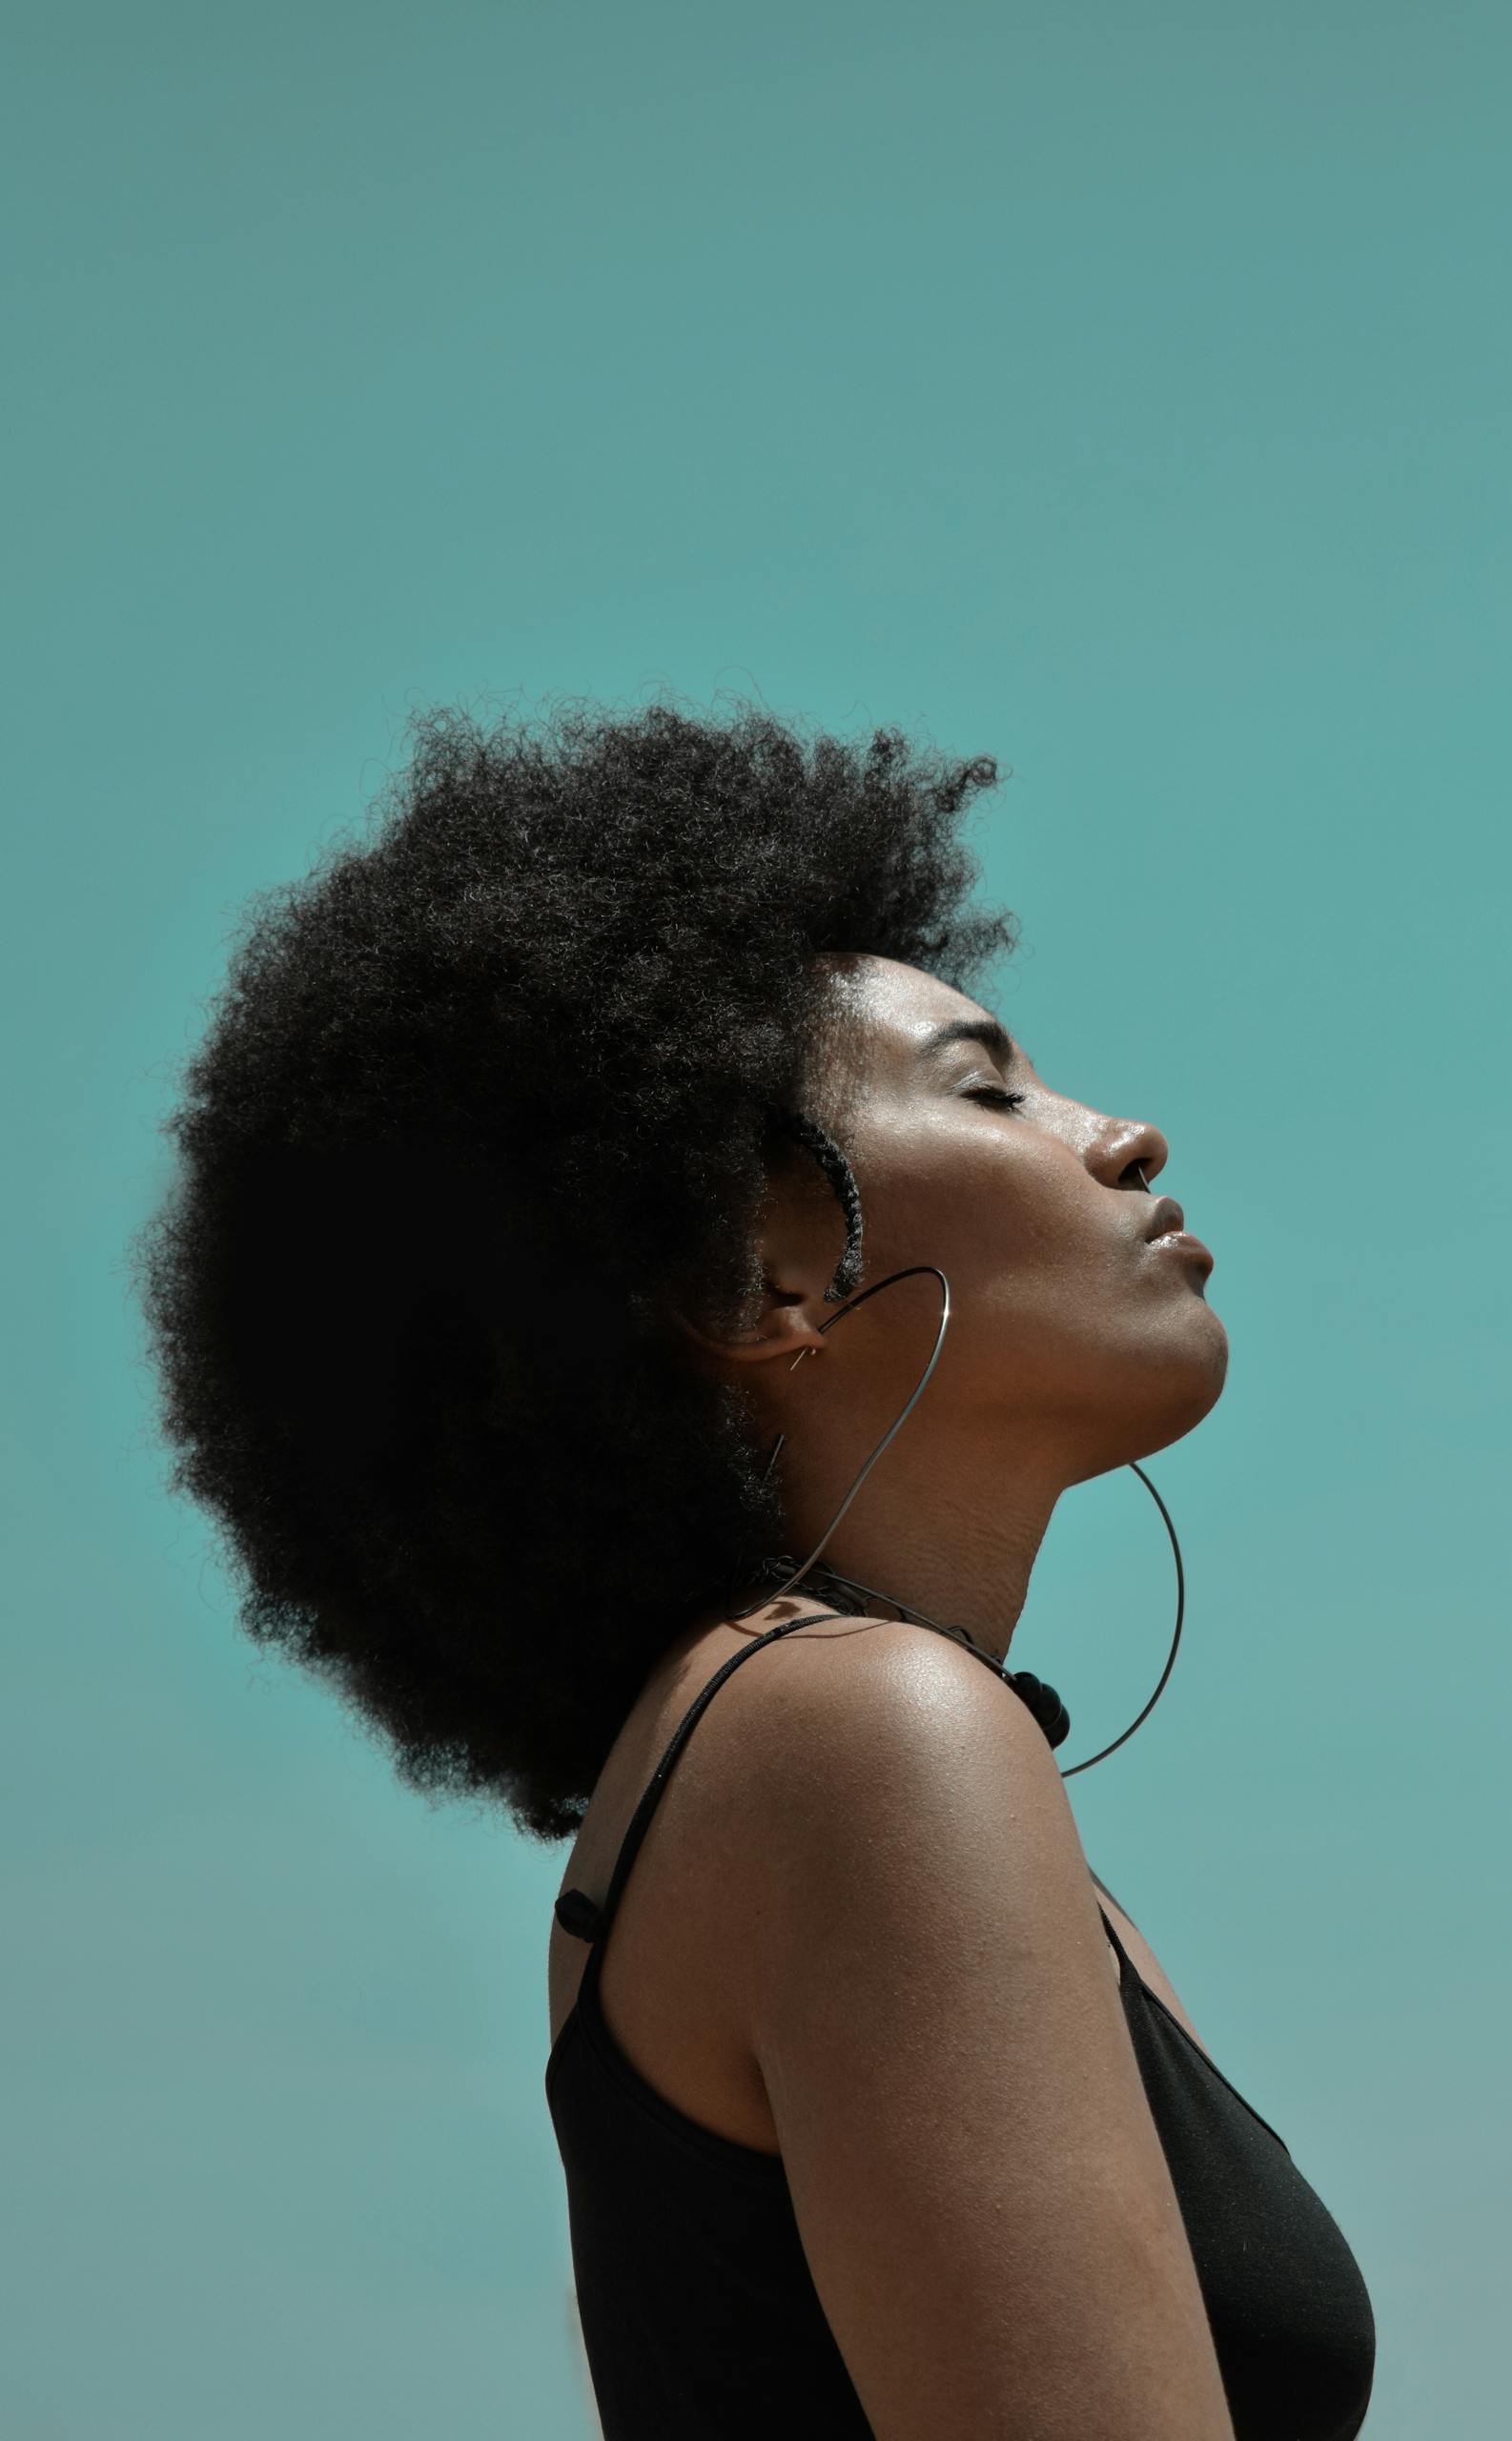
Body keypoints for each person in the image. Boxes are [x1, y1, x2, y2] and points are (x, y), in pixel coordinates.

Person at [131, 697, 1375, 2440]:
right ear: (767, 1271)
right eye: (989, 1089)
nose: (1123, 1134)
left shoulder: (825, 1762)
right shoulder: (865, 1739)